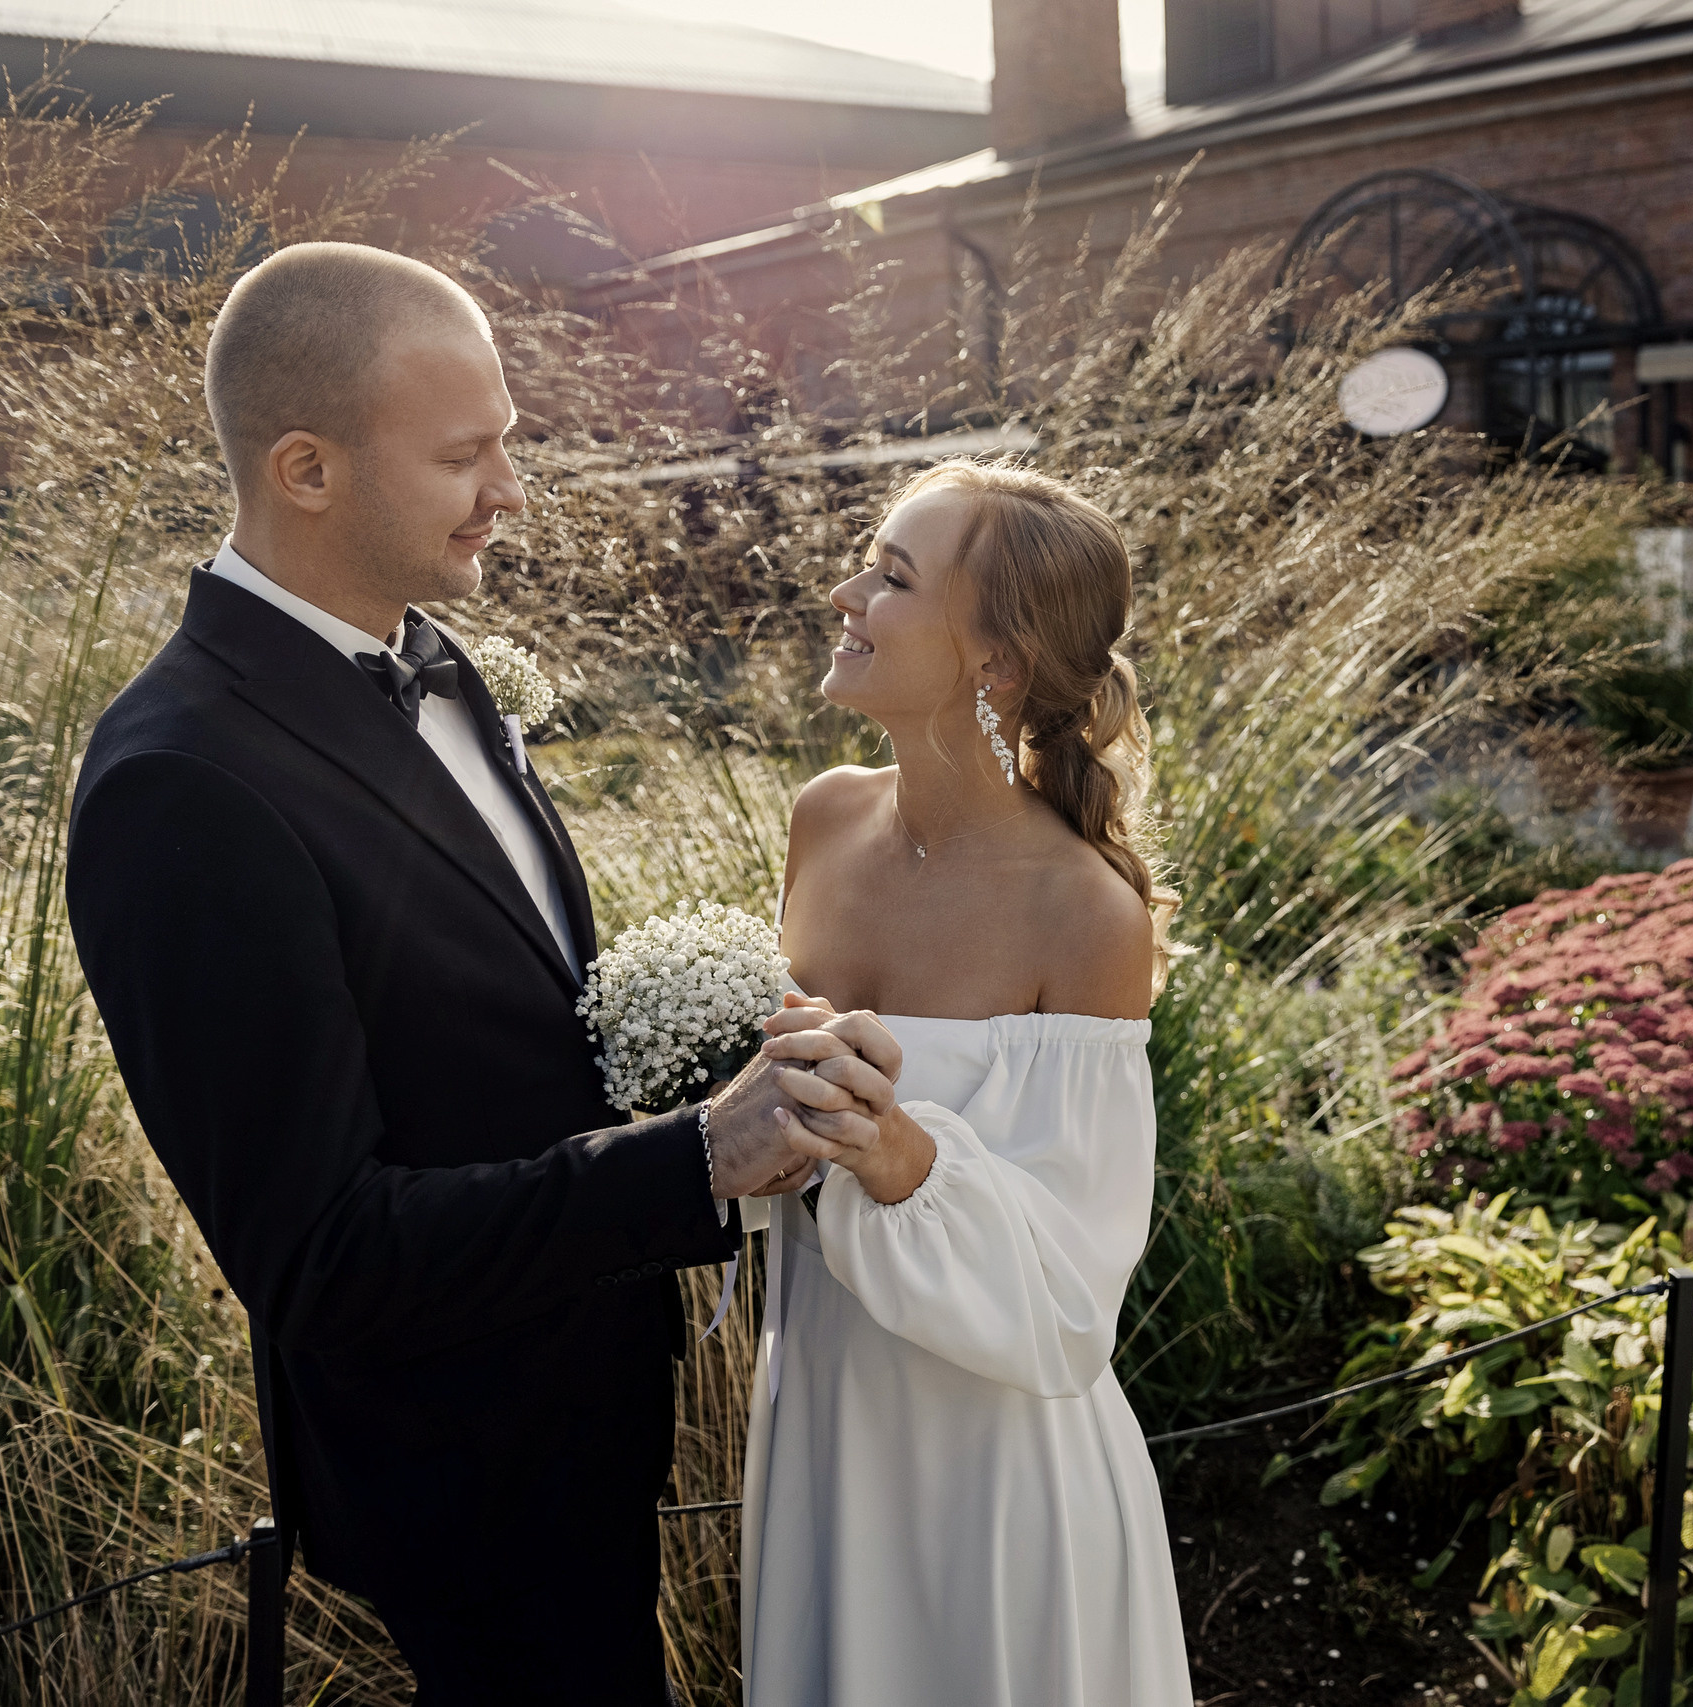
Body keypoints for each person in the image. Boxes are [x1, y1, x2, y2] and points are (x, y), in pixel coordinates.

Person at [64, 242, 813, 1704]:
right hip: (462, 1476)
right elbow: (322, 1255)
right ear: (306, 468)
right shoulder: (182, 783)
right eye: (464, 456)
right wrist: (694, 1158)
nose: (509, 492)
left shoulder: (438, 660)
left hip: (590, 1418)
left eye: (504, 445)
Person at [731, 460, 1192, 1704]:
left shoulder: (1084, 913)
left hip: (993, 1475)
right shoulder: (824, 819)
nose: (845, 596)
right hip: (820, 1415)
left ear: (997, 661)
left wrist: (896, 1154)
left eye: (891, 578)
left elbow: (1070, 1299)